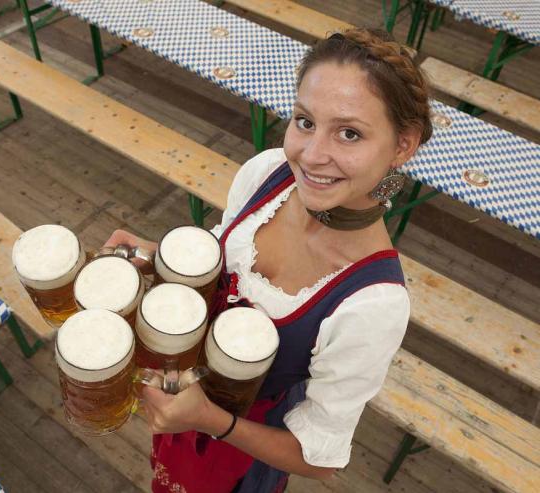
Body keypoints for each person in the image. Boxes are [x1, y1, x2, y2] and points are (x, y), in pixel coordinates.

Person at [105, 28, 433, 493]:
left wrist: (209, 419)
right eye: (304, 121)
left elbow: (320, 463)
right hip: (184, 391)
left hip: (240, 447)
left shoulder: (374, 304)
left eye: (349, 133)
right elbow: (220, 264)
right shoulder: (267, 172)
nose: (312, 155)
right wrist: (153, 258)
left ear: (404, 145)